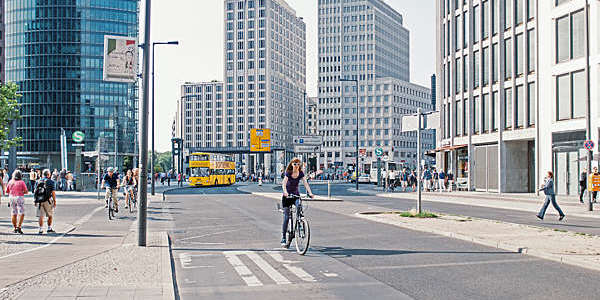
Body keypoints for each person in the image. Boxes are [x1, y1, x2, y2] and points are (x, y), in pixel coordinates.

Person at [280, 158, 314, 247]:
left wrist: (310, 193)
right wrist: (285, 192)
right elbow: (284, 183)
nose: (296, 166)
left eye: (298, 164)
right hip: (287, 196)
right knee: (287, 217)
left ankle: (300, 222)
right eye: (295, 164)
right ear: (292, 164)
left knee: (299, 206)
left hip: (295, 195)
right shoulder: (289, 173)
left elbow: (306, 183)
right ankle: (283, 237)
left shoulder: (301, 173)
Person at [35, 169, 57, 234]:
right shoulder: (51, 182)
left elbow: (35, 191)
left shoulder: (38, 181)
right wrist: (54, 201)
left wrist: (35, 201)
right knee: (50, 215)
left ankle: (40, 229)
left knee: (40, 216)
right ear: (48, 175)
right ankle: (49, 228)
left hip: (39, 200)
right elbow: (53, 192)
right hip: (48, 200)